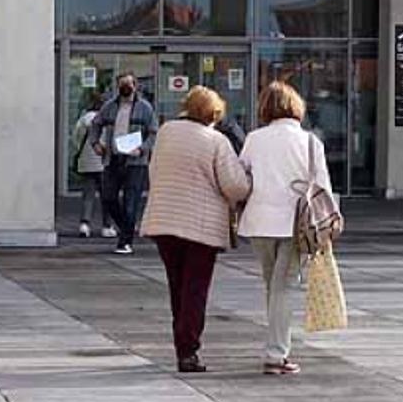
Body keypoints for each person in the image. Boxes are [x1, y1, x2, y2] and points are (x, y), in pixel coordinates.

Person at [142, 86, 251, 373]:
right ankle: (188, 350)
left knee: (177, 287)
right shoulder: (216, 141)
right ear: (213, 114)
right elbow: (235, 186)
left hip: (164, 221)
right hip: (200, 227)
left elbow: (153, 171)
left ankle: (182, 343)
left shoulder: (166, 132)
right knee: (195, 289)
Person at [238, 81, 332, 376]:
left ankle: (276, 346)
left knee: (273, 286)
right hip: (297, 224)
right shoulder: (309, 142)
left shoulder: (254, 138)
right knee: (283, 287)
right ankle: (276, 354)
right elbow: (323, 188)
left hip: (258, 222)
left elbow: (242, 178)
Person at [91, 72, 158, 255]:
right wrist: (95, 143)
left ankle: (124, 242)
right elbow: (96, 123)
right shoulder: (110, 107)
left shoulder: (145, 108)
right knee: (108, 197)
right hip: (113, 157)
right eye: (122, 84)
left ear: (135, 86)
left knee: (131, 201)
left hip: (135, 160)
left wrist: (142, 149)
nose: (125, 88)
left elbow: (153, 132)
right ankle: (126, 226)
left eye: (128, 84)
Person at [72, 93, 115, 239]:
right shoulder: (108, 119)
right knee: (107, 196)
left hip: (87, 161)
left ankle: (85, 224)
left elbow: (76, 138)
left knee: (88, 195)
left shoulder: (84, 119)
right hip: (104, 161)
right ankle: (106, 226)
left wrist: (81, 151)